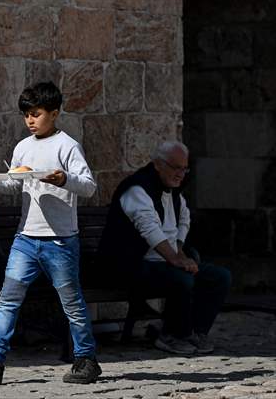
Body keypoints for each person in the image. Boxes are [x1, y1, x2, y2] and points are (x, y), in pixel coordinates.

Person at [0, 81, 101, 385]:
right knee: (8, 299)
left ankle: (86, 359)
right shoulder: (23, 146)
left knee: (71, 301)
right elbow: (15, 183)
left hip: (60, 239)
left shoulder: (67, 146)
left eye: (36, 114)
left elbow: (88, 186)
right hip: (26, 238)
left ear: (55, 112)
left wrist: (62, 179)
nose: (30, 121)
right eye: (26, 115)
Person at [98, 141, 232, 355]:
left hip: (163, 261)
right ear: (158, 165)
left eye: (184, 168)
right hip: (131, 265)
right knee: (181, 279)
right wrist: (176, 259)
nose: (181, 173)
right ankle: (172, 336)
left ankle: (193, 332)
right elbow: (149, 228)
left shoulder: (174, 191)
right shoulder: (137, 189)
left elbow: (183, 221)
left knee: (220, 277)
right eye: (175, 167)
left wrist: (179, 253)